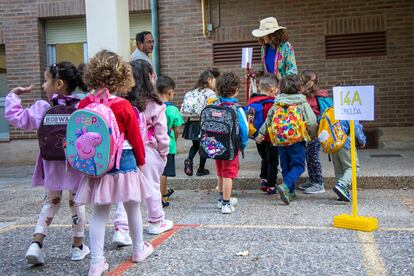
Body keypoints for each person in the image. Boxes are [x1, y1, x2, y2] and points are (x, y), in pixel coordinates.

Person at [74, 50, 152, 276]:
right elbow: (136, 139)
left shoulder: (85, 104)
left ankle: (96, 263)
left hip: (98, 164)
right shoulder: (123, 105)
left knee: (99, 212)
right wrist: (142, 163)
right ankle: (138, 249)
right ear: (121, 77)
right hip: (125, 160)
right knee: (132, 206)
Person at [4, 61, 89, 265]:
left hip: (51, 165)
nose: (43, 85)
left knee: (51, 201)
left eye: (46, 80)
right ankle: (77, 247)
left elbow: (17, 118)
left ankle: (36, 244)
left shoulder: (43, 107)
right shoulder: (80, 107)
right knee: (77, 203)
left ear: (58, 83)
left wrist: (14, 96)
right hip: (75, 164)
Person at [113, 59, 173, 241]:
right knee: (152, 186)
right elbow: (162, 132)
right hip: (149, 149)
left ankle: (121, 229)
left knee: (125, 190)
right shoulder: (155, 103)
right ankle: (156, 222)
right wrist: (164, 152)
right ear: (149, 78)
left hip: (124, 149)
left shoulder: (120, 102)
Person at [256, 74, 317, 205]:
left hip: (279, 140)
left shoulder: (277, 102)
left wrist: (261, 133)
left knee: (285, 166)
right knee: (299, 166)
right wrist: (312, 135)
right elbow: (312, 122)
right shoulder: (301, 102)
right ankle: (286, 186)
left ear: (281, 88)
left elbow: (269, 120)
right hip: (296, 140)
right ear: (300, 87)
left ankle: (290, 193)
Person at [213, 72, 248, 214]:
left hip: (214, 145)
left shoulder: (214, 104)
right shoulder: (237, 108)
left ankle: (221, 199)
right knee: (229, 174)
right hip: (231, 147)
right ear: (235, 90)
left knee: (220, 172)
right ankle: (226, 204)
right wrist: (243, 144)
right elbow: (244, 129)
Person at [182, 69, 220, 176]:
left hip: (192, 122)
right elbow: (214, 109)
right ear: (209, 80)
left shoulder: (194, 91)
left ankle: (189, 159)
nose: (216, 83)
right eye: (215, 81)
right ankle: (201, 169)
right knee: (204, 145)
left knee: (195, 145)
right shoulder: (210, 93)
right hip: (203, 123)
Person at [245, 74, 279, 194]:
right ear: (272, 90)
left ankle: (263, 179)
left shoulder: (252, 101)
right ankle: (271, 184)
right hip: (271, 138)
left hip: (257, 137)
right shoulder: (271, 103)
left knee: (264, 158)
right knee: (273, 161)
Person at [298, 70, 329, 194]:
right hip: (310, 131)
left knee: (313, 157)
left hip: (315, 131)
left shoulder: (312, 96)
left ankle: (318, 183)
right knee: (309, 156)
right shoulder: (309, 95)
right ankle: (312, 180)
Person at [156, 75, 184, 207]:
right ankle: (161, 198)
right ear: (170, 92)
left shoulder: (152, 107)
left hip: (153, 144)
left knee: (157, 172)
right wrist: (175, 139)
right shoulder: (172, 109)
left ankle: (164, 192)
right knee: (164, 172)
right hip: (167, 145)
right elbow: (178, 129)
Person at [329, 121, 366, 202]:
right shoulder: (348, 110)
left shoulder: (331, 110)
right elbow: (355, 127)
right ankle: (342, 185)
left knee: (340, 170)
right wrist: (362, 140)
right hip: (345, 143)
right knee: (353, 167)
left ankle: (341, 193)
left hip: (333, 145)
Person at [252, 17, 297, 81]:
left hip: (283, 87)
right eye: (262, 34)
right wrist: (256, 74)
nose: (263, 37)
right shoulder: (264, 48)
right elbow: (264, 69)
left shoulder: (286, 46)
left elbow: (292, 69)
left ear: (273, 35)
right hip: (269, 87)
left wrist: (284, 84)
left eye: (265, 34)